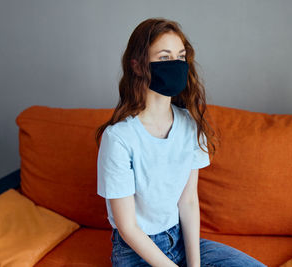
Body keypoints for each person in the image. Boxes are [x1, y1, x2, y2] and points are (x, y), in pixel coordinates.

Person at [95, 17, 267, 267]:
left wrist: (194, 264)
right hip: (137, 253)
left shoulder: (190, 123)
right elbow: (128, 227)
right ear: (138, 66)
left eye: (180, 56)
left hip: (180, 241)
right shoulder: (119, 138)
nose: (175, 65)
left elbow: (188, 201)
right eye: (164, 58)